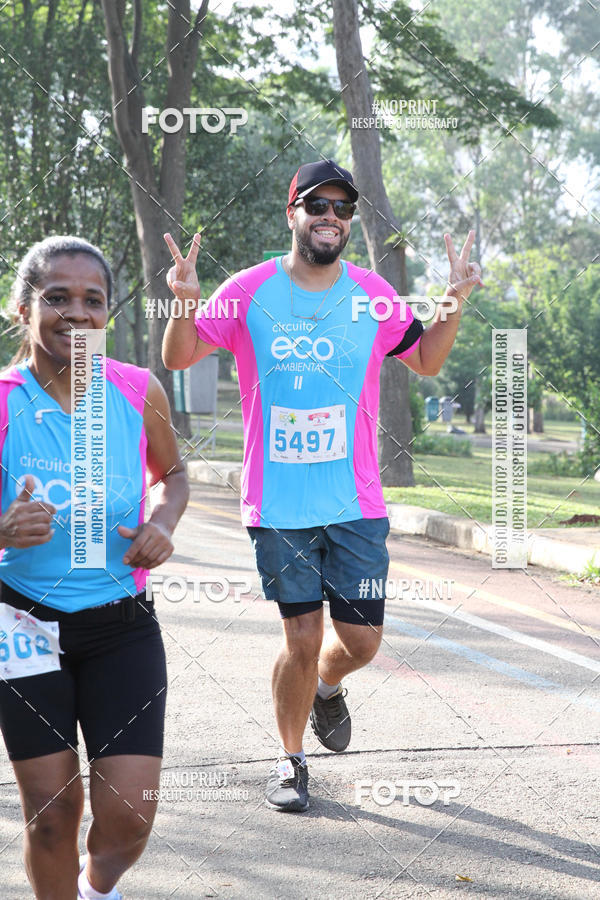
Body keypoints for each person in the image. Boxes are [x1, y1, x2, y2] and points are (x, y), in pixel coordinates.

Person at [162, 159, 482, 812]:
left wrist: (454, 300)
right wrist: (184, 304)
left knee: (359, 642)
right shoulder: (248, 291)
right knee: (300, 638)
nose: (329, 217)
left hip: (356, 504)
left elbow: (426, 360)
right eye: (317, 206)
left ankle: (328, 688)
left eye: (341, 208)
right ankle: (289, 761)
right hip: (278, 504)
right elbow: (178, 356)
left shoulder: (371, 294)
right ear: (293, 214)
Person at [0, 236, 189, 898]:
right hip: (21, 625)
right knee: (52, 817)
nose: (75, 314)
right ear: (22, 307)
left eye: (92, 300)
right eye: (57, 298)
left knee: (130, 814)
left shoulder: (138, 391)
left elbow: (175, 476)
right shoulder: (1, 402)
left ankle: (96, 887)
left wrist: (162, 525)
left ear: (108, 311)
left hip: (121, 626)